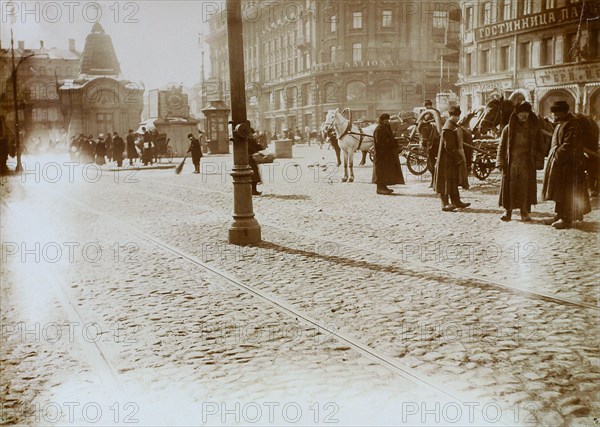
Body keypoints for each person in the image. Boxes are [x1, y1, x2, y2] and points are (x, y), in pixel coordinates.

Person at [542, 100, 591, 229]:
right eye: (554, 114)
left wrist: (556, 154)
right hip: (561, 164)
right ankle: (559, 215)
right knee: (560, 191)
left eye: (557, 113)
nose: (555, 116)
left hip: (571, 165)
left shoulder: (572, 125)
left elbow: (569, 145)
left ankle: (567, 218)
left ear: (564, 112)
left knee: (568, 192)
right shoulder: (561, 124)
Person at [496, 101, 545, 222]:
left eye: (526, 113)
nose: (524, 115)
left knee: (525, 187)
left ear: (529, 113)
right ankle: (508, 211)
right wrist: (500, 162)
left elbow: (540, 147)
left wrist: (539, 161)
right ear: (516, 114)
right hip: (511, 163)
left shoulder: (534, 129)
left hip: (527, 163)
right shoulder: (508, 129)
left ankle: (525, 212)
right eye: (521, 113)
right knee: (510, 187)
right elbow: (501, 147)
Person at [434, 106, 470, 211]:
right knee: (445, 180)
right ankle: (444, 204)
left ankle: (457, 201)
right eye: (455, 116)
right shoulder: (448, 128)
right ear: (451, 116)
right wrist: (458, 158)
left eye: (458, 116)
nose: (457, 118)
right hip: (446, 160)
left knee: (453, 180)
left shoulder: (453, 125)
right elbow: (449, 147)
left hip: (451, 159)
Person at [372, 113, 404, 195]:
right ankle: (380, 189)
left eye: (388, 120)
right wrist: (392, 142)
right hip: (381, 154)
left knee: (386, 171)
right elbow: (380, 141)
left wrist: (393, 141)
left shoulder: (385, 127)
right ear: (382, 120)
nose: (387, 121)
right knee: (380, 171)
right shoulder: (379, 129)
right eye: (386, 120)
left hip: (386, 154)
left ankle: (384, 187)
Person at [247, 127, 263, 195]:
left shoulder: (252, 140)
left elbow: (259, 148)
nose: (252, 135)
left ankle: (254, 190)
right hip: (249, 159)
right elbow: (251, 149)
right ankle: (253, 190)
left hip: (252, 159)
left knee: (255, 174)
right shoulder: (246, 140)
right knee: (253, 175)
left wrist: (258, 142)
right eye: (251, 133)